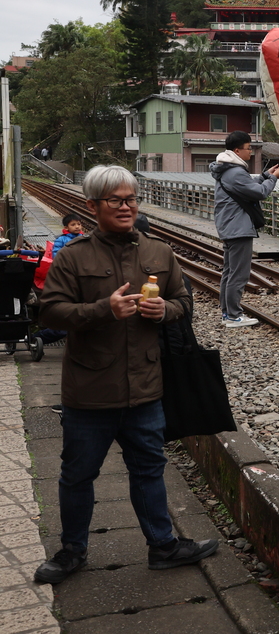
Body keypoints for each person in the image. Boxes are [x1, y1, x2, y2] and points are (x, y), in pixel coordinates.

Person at [34, 165, 218, 584]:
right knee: (77, 475)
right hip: (90, 391)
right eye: (115, 200)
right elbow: (49, 312)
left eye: (131, 199)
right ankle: (71, 552)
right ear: (92, 206)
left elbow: (183, 302)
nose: (125, 206)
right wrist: (104, 310)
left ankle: (163, 546)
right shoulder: (73, 255)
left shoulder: (159, 253)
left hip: (146, 388)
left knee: (150, 470)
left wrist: (164, 311)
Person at [210, 132, 279, 328]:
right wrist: (273, 179)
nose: (250, 151)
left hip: (232, 226)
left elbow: (249, 186)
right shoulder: (235, 172)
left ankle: (228, 313)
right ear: (237, 150)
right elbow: (259, 192)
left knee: (230, 272)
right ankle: (234, 316)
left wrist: (265, 176)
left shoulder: (229, 170)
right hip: (238, 228)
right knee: (239, 274)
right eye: (248, 148)